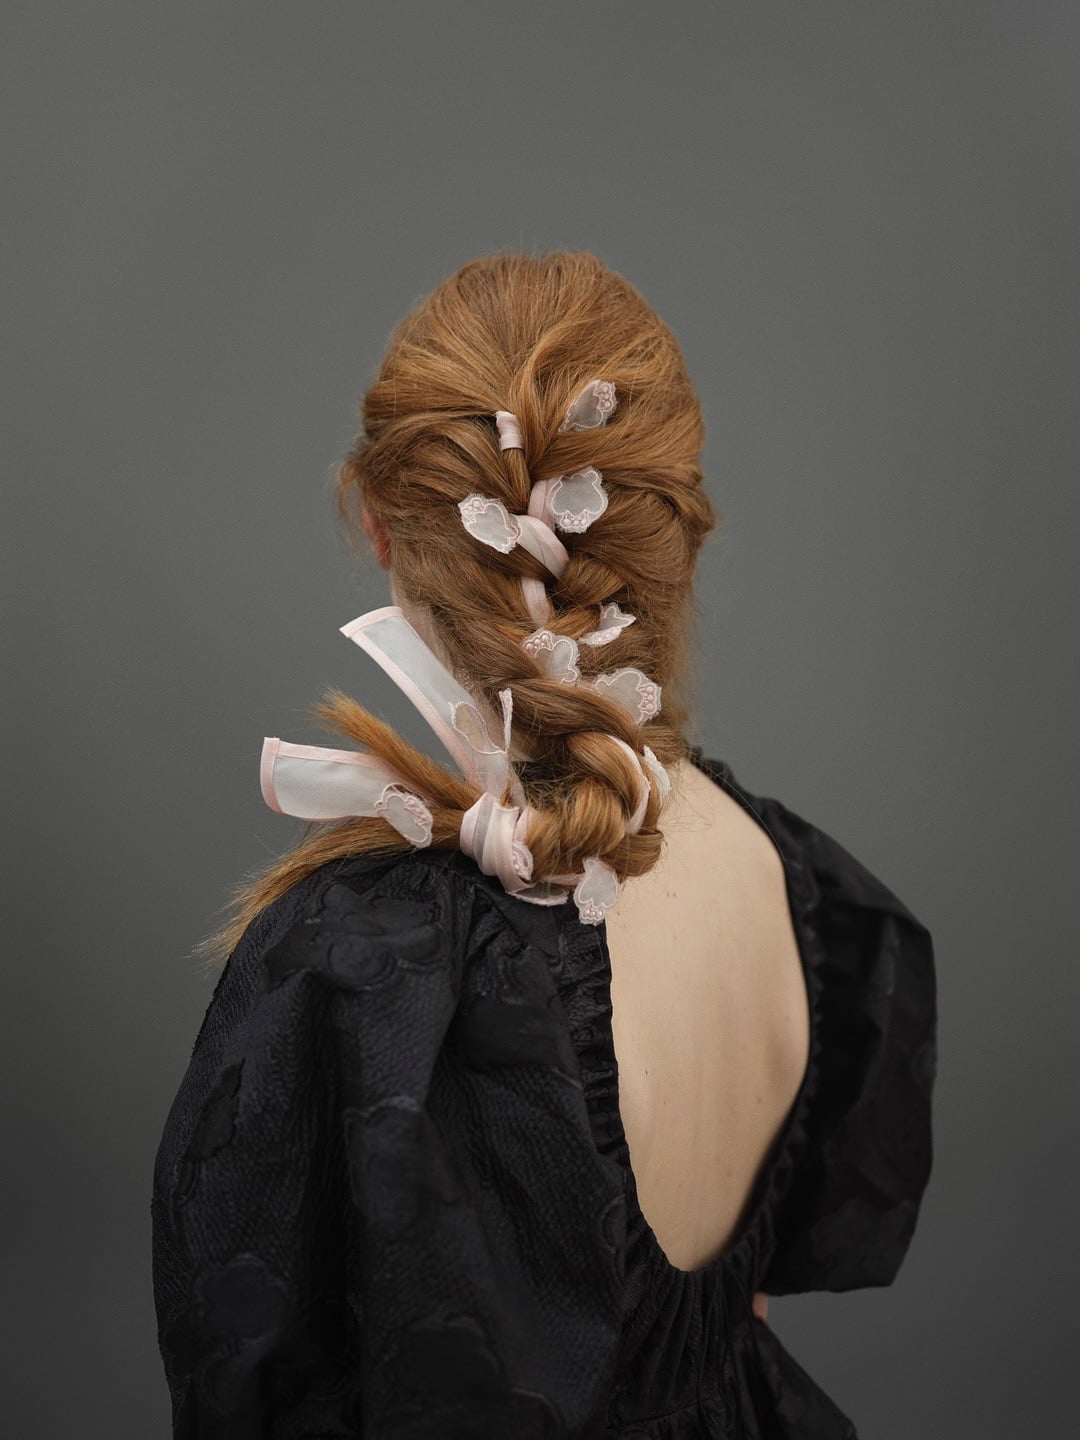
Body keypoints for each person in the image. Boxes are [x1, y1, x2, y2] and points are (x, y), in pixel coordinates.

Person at [151, 251, 937, 1437]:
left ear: (379, 525)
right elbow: (748, 1309)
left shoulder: (369, 967)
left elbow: (249, 1390)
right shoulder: (788, 875)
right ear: (677, 534)